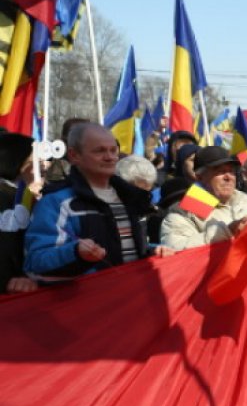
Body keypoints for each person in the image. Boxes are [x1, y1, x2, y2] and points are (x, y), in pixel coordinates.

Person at [25, 123, 174, 281]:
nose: (109, 157)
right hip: (88, 296)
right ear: (74, 155)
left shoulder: (131, 197)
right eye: (99, 151)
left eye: (113, 150)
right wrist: (76, 252)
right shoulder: (56, 202)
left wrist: (153, 252)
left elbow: (128, 250)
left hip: (133, 293)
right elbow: (35, 263)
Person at [160, 146, 247, 250]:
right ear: (199, 177)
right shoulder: (183, 214)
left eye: (231, 171)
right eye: (220, 171)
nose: (228, 177)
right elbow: (176, 250)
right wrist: (226, 232)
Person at [0, 133, 38, 293]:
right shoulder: (6, 196)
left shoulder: (24, 194)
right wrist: (6, 280)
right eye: (34, 161)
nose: (41, 167)